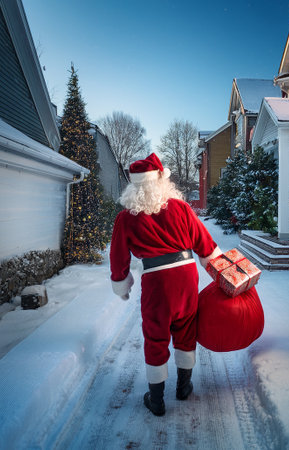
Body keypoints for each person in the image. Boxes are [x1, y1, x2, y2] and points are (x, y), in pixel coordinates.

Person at [109, 153, 221, 416]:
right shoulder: (181, 208)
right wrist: (222, 273)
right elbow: (205, 244)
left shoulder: (126, 218)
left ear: (134, 186)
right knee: (185, 327)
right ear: (160, 180)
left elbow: (118, 259)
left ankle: (156, 399)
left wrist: (122, 285)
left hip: (156, 280)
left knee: (155, 333)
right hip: (185, 275)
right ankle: (184, 386)